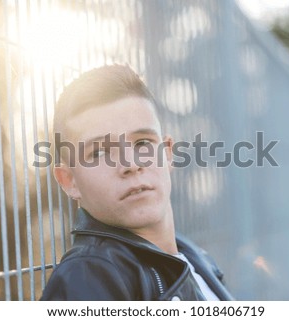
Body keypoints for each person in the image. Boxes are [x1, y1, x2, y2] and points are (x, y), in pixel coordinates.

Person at [40, 64, 233, 301]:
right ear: (69, 181)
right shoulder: (86, 277)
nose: (130, 164)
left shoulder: (195, 258)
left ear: (168, 153)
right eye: (99, 152)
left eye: (142, 143)